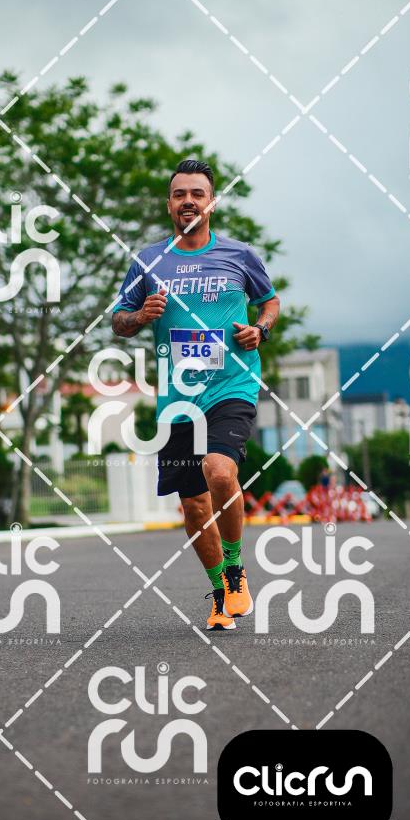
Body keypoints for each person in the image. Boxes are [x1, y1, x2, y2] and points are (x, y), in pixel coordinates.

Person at [112, 159, 280, 630]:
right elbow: (118, 321)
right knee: (193, 506)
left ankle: (235, 569)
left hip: (231, 385)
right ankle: (220, 593)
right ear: (169, 204)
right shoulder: (148, 261)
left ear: (212, 203)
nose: (188, 201)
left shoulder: (239, 255)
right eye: (180, 194)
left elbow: (269, 301)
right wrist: (140, 316)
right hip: (178, 399)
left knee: (219, 471)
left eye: (197, 194)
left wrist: (261, 330)